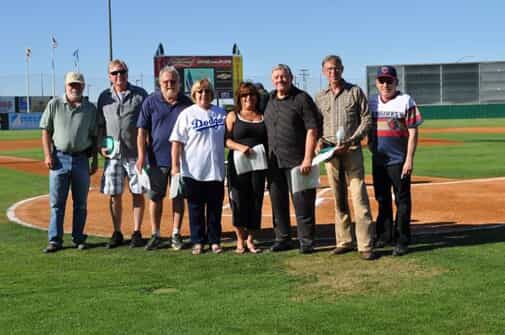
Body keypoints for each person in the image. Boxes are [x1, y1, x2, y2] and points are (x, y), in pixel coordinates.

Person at [314, 55, 376, 260]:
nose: (333, 72)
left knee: (359, 196)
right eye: (329, 69)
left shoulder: (355, 91)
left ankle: (365, 245)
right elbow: (315, 124)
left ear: (342, 69)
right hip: (330, 153)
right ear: (324, 72)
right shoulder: (320, 96)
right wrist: (319, 143)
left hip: (351, 150)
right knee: (339, 198)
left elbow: (366, 119)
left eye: (337, 68)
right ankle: (344, 241)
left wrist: (352, 140)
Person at [263, 64, 319, 254]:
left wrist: (307, 158)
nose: (280, 80)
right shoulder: (269, 99)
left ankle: (306, 241)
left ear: (291, 77)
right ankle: (283, 238)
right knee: (278, 204)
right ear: (272, 80)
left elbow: (312, 129)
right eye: (277, 77)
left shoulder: (302, 98)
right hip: (274, 162)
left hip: (297, 162)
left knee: (302, 202)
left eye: (283, 76)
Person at [40, 72, 98, 253]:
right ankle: (55, 240)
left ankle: (78, 237)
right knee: (57, 203)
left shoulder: (90, 109)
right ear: (66, 86)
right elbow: (45, 131)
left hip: (81, 159)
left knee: (80, 203)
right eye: (72, 84)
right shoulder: (55, 104)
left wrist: (95, 160)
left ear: (83, 86)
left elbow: (95, 136)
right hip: (59, 158)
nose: (75, 87)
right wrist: (48, 155)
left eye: (78, 85)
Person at [368, 65, 423, 256]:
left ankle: (402, 239)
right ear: (377, 83)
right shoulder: (372, 102)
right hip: (379, 161)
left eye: (389, 81)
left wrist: (409, 159)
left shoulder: (405, 100)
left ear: (396, 82)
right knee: (382, 199)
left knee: (402, 200)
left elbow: (414, 131)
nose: (385, 84)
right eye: (382, 81)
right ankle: (384, 236)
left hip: (399, 160)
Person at [136, 65, 193, 250]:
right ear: (160, 84)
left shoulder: (187, 103)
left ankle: (176, 233)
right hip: (156, 159)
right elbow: (141, 132)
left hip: (181, 161)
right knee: (155, 198)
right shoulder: (150, 102)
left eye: (173, 81)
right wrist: (141, 156)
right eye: (166, 82)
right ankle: (156, 234)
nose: (170, 85)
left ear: (179, 83)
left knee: (178, 197)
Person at [170, 79, 226, 255]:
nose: (203, 95)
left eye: (207, 92)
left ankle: (215, 240)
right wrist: (175, 166)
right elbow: (177, 142)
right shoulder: (187, 114)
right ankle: (198, 241)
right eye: (199, 92)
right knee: (195, 209)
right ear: (194, 95)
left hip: (215, 170)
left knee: (215, 209)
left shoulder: (221, 114)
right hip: (193, 171)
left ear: (211, 94)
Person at [97, 59, 148, 248]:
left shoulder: (140, 95)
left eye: (122, 72)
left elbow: (146, 124)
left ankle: (136, 232)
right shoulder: (104, 97)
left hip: (135, 153)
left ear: (127, 73)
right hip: (113, 155)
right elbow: (100, 125)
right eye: (114, 73)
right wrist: (100, 145)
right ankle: (117, 232)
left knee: (137, 192)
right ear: (109, 76)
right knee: (114, 194)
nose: (119, 76)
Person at [225, 82, 268, 254]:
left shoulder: (262, 116)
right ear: (239, 99)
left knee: (256, 200)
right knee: (238, 201)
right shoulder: (233, 116)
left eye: (251, 95)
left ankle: (250, 239)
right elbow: (225, 140)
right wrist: (240, 147)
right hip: (238, 164)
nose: (248, 98)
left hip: (258, 165)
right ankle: (239, 240)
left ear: (257, 98)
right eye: (244, 96)